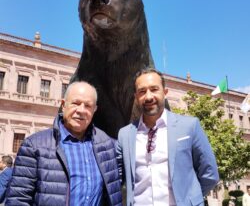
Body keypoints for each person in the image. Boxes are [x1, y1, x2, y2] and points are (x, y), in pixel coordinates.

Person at [6, 81, 122, 206]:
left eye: (88, 106)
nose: (81, 110)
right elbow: (18, 199)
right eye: (75, 103)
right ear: (63, 105)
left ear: (95, 110)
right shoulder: (34, 146)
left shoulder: (108, 146)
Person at [117, 68, 219, 206]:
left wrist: (190, 200)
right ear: (136, 97)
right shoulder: (125, 134)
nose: (148, 97)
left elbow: (210, 174)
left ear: (165, 93)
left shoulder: (189, 126)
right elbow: (117, 178)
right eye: (142, 91)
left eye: (154, 89)